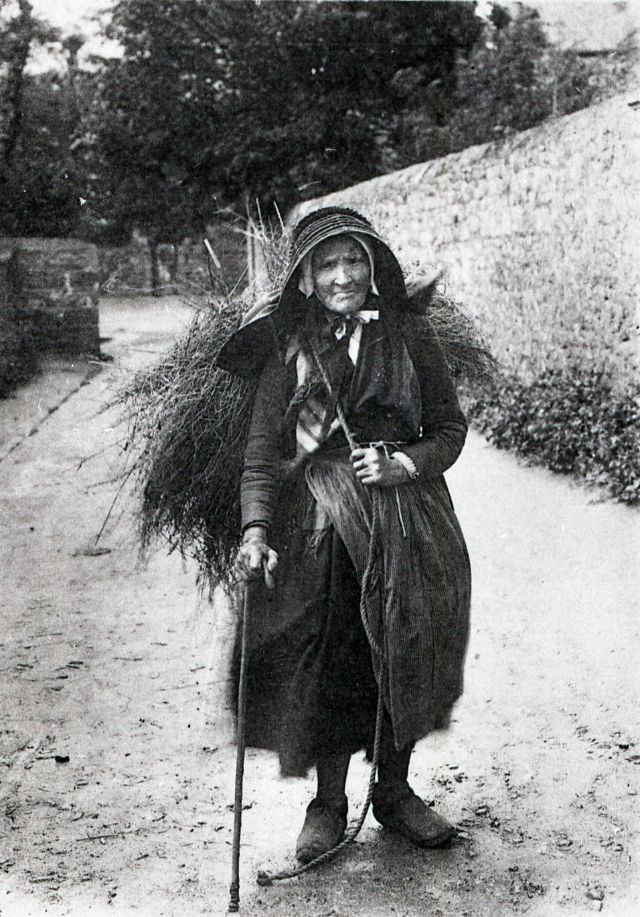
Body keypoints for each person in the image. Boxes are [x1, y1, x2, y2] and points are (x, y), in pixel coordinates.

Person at [219, 205, 471, 864]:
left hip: (407, 519)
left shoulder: (409, 334)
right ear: (304, 277)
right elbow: (260, 453)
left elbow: (449, 429)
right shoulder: (290, 349)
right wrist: (255, 529)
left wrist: (402, 464)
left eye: (353, 259)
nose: (342, 276)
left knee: (405, 643)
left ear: (374, 264)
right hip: (321, 529)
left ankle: (394, 792)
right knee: (333, 653)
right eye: (326, 263)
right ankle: (328, 803)